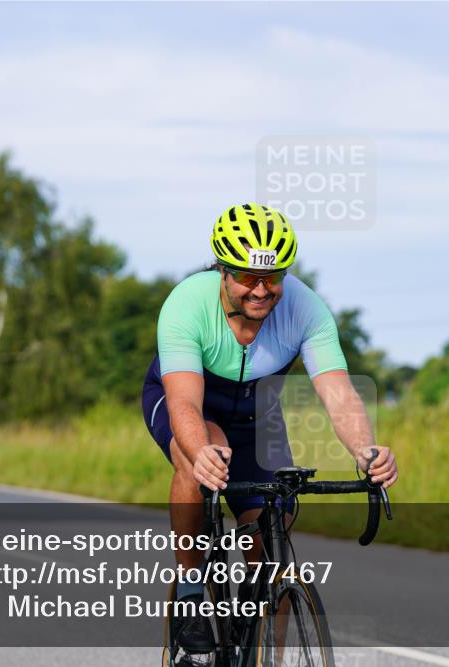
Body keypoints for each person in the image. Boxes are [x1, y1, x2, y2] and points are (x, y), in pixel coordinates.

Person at [141, 203, 398, 653]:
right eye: (247, 277)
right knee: (204, 453)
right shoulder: (186, 303)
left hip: (257, 414)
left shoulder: (306, 308)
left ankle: (260, 640)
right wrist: (199, 451)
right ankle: (189, 591)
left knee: (276, 517)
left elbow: (337, 392)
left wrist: (367, 450)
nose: (261, 290)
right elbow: (184, 402)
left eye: (273, 277)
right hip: (191, 403)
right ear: (222, 270)